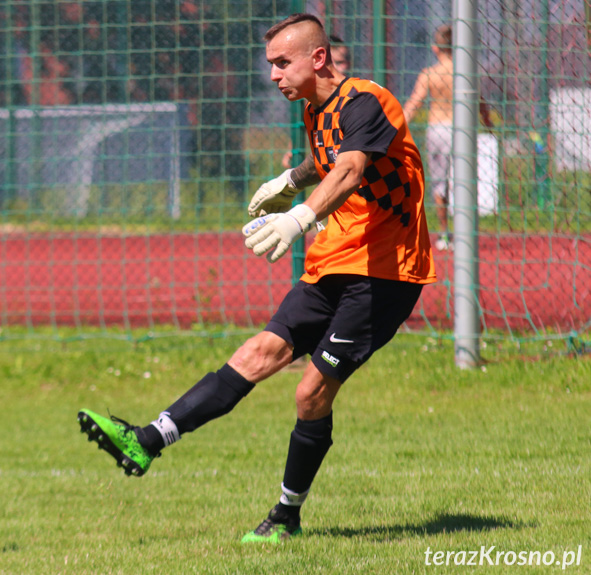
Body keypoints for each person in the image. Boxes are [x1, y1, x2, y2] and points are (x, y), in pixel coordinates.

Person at [77, 13, 436, 543]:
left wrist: (297, 217)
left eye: (281, 63)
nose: (273, 76)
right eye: (270, 65)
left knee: (311, 391)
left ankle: (286, 516)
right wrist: (289, 179)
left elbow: (351, 168)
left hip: (384, 273)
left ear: (318, 59)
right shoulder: (317, 110)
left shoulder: (367, 100)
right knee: (256, 354)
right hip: (334, 262)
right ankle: (146, 441)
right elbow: (325, 159)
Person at [403, 24, 454, 251]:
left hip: (437, 129)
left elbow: (415, 103)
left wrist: (397, 124)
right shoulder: (465, 72)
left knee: (440, 184)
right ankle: (463, 233)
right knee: (463, 182)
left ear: (435, 48)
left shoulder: (430, 74)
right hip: (460, 130)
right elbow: (481, 103)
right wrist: (489, 123)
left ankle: (445, 232)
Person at [282, 34, 350, 170]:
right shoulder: (311, 99)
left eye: (345, 61)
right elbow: (306, 124)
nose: (343, 68)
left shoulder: (357, 95)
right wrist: (291, 150)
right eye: (336, 62)